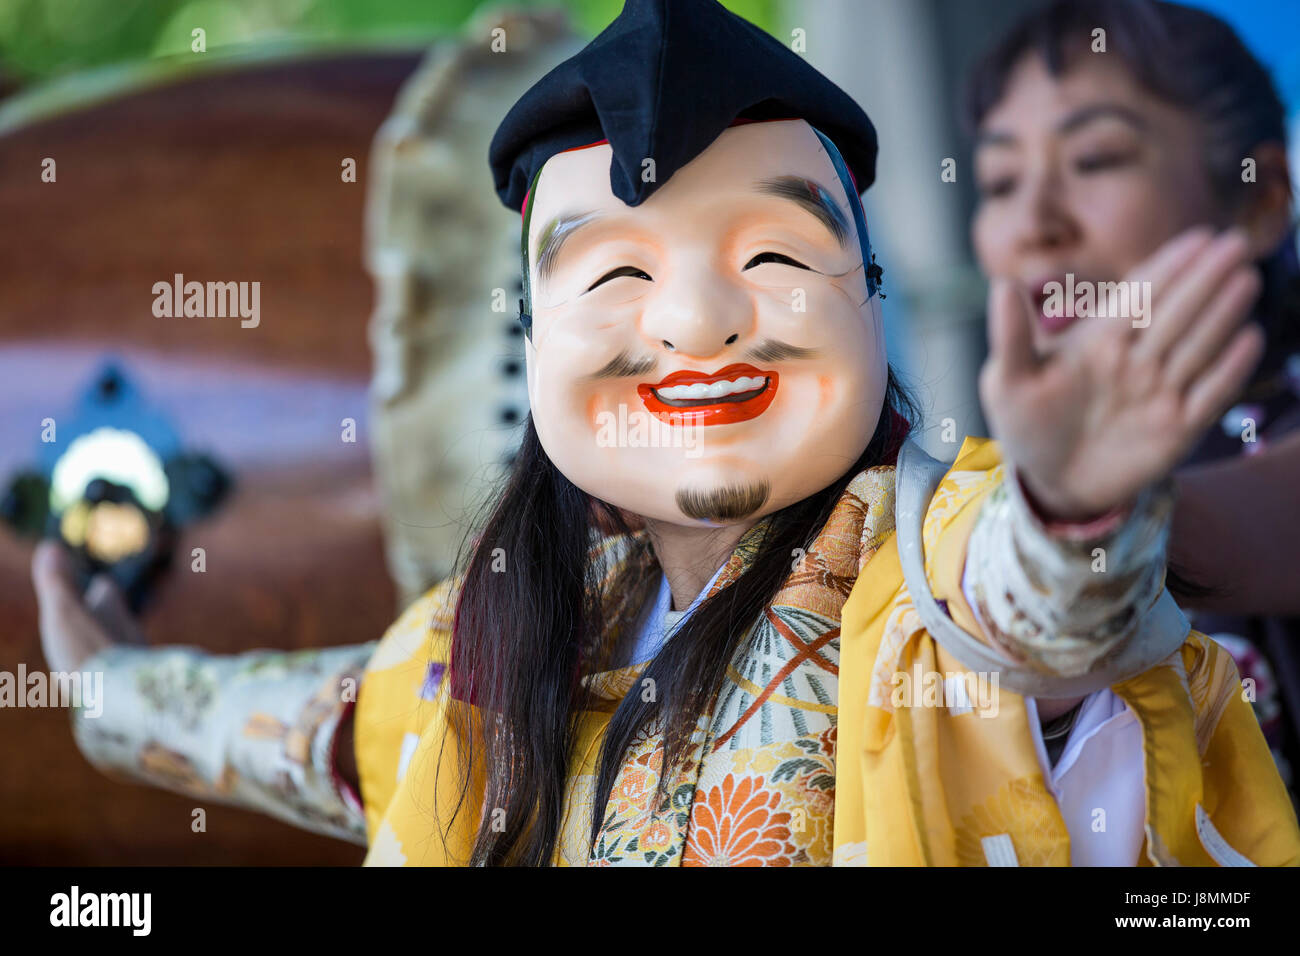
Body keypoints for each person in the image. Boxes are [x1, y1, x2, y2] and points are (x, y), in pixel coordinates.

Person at [36, 0, 1299, 866]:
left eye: (774, 256)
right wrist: (112, 688)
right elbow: (311, 723)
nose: (698, 321)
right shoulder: (487, 645)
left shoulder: (938, 556)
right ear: (535, 339)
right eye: (614, 277)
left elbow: (1044, 607)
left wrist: (1075, 504)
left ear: (869, 300)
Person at [965, 0, 1300, 792]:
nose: (1033, 223)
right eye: (1001, 181)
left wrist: (1074, 515)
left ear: (1259, 198)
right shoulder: (991, 482)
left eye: (1096, 159)